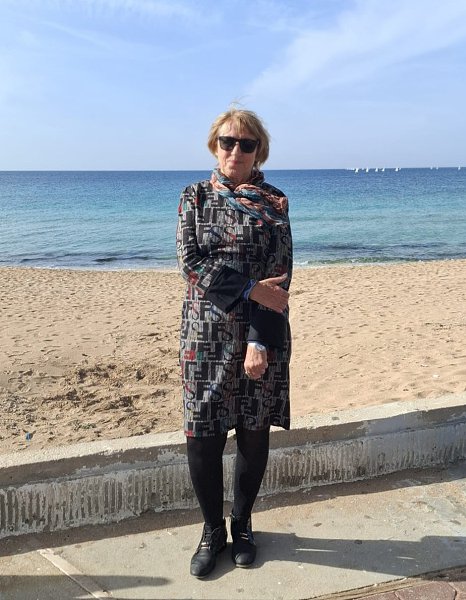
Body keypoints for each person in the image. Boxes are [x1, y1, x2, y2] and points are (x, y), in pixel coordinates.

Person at [176, 107, 293, 578]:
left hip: (257, 334)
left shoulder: (275, 203)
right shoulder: (195, 197)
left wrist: (259, 341)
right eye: (228, 141)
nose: (236, 151)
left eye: (247, 144)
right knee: (203, 435)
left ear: (259, 151)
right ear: (215, 146)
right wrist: (248, 289)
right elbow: (190, 262)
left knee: (252, 430)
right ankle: (212, 530)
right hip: (204, 336)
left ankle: (242, 525)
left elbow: (279, 279)